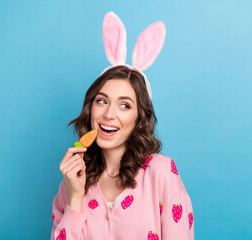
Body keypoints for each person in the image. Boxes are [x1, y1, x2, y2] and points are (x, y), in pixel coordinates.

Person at [51, 12, 194, 240]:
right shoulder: (69, 186)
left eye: (124, 106)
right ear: (91, 109)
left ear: (139, 118)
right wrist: (75, 197)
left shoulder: (162, 173)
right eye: (102, 101)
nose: (109, 114)